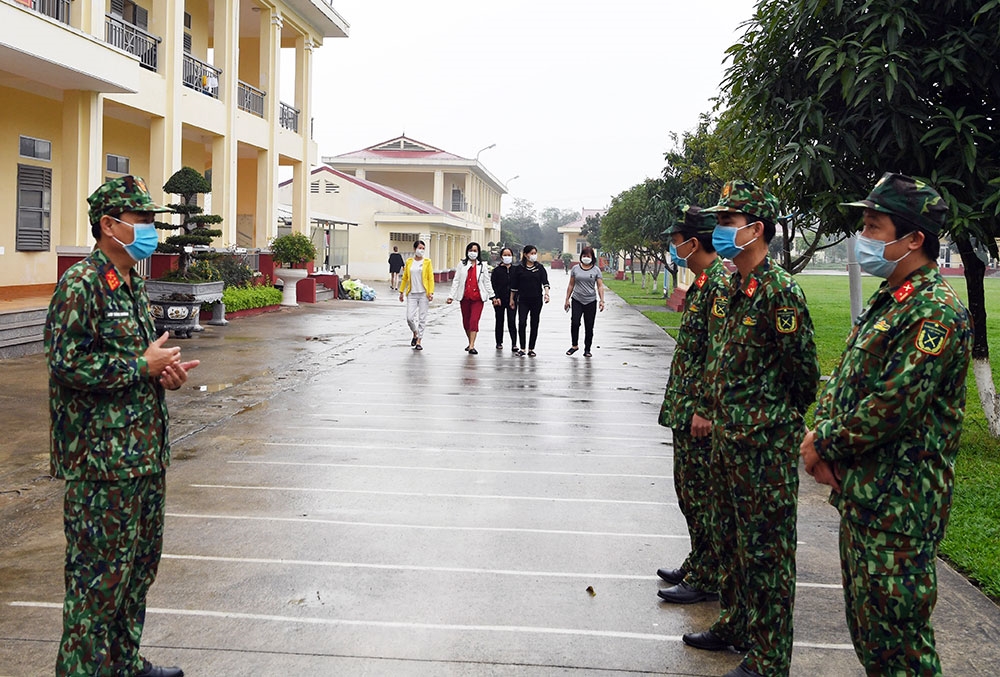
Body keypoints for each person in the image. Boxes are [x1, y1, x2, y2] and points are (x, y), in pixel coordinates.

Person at [800, 173, 972, 676]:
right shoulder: (890, 297)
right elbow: (848, 380)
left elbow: (893, 405)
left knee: (900, 645)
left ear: (914, 238)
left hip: (900, 505)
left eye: (874, 226)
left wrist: (819, 443)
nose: (864, 236)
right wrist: (823, 438)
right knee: (871, 635)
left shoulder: (933, 312)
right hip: (868, 495)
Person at [45, 175, 197, 677]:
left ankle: (123, 664)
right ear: (110, 225)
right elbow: (65, 361)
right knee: (96, 584)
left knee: (136, 572)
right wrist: (140, 368)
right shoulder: (82, 284)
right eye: (142, 221)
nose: (151, 230)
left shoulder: (130, 284)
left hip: (142, 456)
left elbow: (138, 361)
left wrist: (164, 376)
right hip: (101, 466)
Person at [682, 180, 820, 677]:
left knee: (766, 556)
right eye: (717, 223)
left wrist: (769, 420)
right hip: (728, 441)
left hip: (762, 447)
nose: (718, 232)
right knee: (732, 543)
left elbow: (802, 375)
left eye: (727, 223)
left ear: (756, 230)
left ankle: (768, 658)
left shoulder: (780, 291)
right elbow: (720, 363)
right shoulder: (737, 286)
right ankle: (735, 625)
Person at [655, 205, 726, 605]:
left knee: (700, 495)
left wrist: (705, 408)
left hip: (698, 413)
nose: (673, 246)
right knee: (688, 492)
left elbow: (717, 354)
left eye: (677, 240)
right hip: (685, 410)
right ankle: (699, 560)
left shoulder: (717, 285)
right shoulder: (702, 283)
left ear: (693, 243)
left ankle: (707, 574)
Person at [446, 241, 495, 354]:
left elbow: (487, 282)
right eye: (471, 250)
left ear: (478, 252)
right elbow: (456, 280)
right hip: (465, 297)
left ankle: (472, 345)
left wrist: (493, 296)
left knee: (474, 321)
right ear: (467, 251)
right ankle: (470, 342)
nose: (472, 253)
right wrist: (451, 296)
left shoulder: (482, 265)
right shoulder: (462, 265)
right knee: (466, 322)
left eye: (475, 251)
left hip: (477, 298)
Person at [563, 246, 605, 357]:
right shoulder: (575, 269)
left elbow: (600, 286)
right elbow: (571, 284)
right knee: (575, 322)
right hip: (577, 299)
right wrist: (567, 299)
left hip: (591, 301)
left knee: (589, 326)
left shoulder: (596, 270)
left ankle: (587, 349)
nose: (586, 258)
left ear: (592, 257)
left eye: (588, 256)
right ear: (581, 256)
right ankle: (574, 345)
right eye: (584, 256)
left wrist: (602, 300)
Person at [509, 245, 550, 357]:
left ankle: (531, 348)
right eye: (531, 253)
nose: (533, 255)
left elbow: (545, 282)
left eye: (535, 253)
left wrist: (546, 294)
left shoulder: (540, 268)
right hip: (522, 299)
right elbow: (514, 286)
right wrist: (511, 299)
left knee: (534, 323)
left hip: (536, 300)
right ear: (526, 255)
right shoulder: (519, 268)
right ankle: (522, 348)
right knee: (522, 322)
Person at [398, 240, 434, 350]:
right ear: (414, 249)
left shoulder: (427, 262)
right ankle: (415, 332)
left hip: (424, 293)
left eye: (423, 248)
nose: (421, 250)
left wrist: (431, 292)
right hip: (412, 293)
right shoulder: (409, 262)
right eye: (419, 248)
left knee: (422, 318)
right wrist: (401, 292)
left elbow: (430, 278)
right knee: (409, 318)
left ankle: (419, 341)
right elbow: (405, 278)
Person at [490, 247, 518, 352]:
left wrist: (516, 298)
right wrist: (495, 297)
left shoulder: (516, 270)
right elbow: (493, 285)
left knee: (512, 321)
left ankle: (514, 343)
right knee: (499, 321)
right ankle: (499, 342)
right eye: (505, 255)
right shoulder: (496, 271)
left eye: (509, 255)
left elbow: (518, 284)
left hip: (512, 300)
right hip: (499, 300)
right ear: (501, 256)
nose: (507, 257)